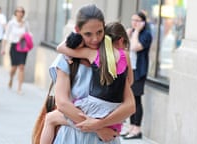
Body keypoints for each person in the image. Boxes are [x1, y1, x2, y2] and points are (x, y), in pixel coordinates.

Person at [40, 4, 135, 144]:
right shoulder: (66, 60)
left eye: (99, 32)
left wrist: (99, 124)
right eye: (88, 34)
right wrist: (98, 129)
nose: (95, 39)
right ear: (78, 31)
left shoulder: (110, 61)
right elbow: (63, 104)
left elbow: (129, 106)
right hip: (74, 138)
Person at [121, 11, 152, 139]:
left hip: (138, 72)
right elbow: (123, 49)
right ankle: (131, 127)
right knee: (129, 99)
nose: (134, 23)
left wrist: (137, 32)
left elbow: (133, 47)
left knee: (136, 100)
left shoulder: (146, 35)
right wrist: (128, 35)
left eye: (137, 20)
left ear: (143, 22)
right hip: (129, 70)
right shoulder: (131, 33)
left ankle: (137, 129)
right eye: (133, 20)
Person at [1, 6, 30, 95]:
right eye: (18, 11)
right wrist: (3, 48)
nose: (20, 13)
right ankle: (11, 78)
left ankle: (19, 88)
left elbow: (29, 34)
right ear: (15, 12)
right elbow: (6, 36)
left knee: (21, 66)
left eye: (22, 11)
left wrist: (24, 35)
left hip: (22, 46)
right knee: (14, 67)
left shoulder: (26, 23)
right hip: (14, 46)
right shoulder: (11, 23)